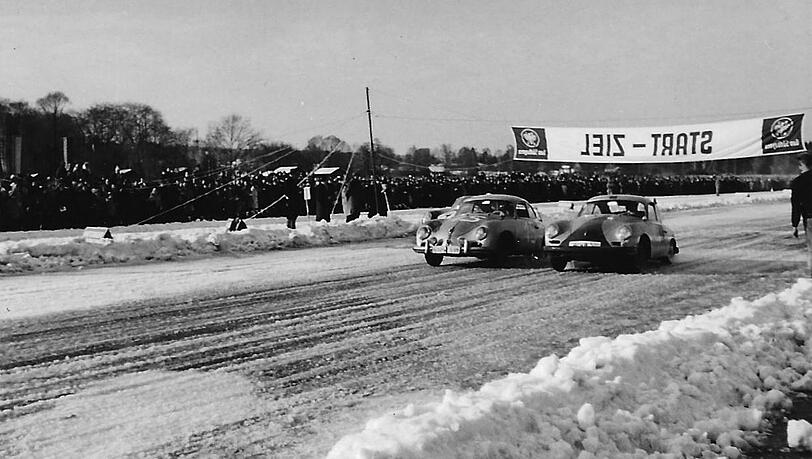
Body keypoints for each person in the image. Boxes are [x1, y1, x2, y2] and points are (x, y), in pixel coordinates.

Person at [791, 152, 812, 277]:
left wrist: (795, 224)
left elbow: (796, 205)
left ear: (802, 165)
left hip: (810, 218)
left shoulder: (798, 182)